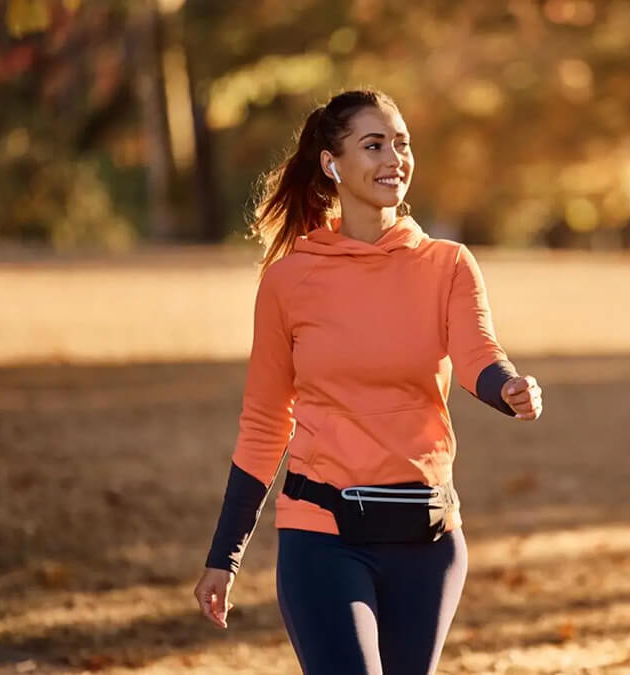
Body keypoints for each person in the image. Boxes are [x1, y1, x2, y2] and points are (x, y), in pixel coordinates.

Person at [193, 89, 543, 675]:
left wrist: (507, 387)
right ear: (332, 163)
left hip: (428, 538)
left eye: (402, 144)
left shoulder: (448, 264)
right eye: (374, 145)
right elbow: (264, 423)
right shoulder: (289, 281)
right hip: (323, 537)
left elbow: (477, 353)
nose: (394, 159)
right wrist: (225, 557)